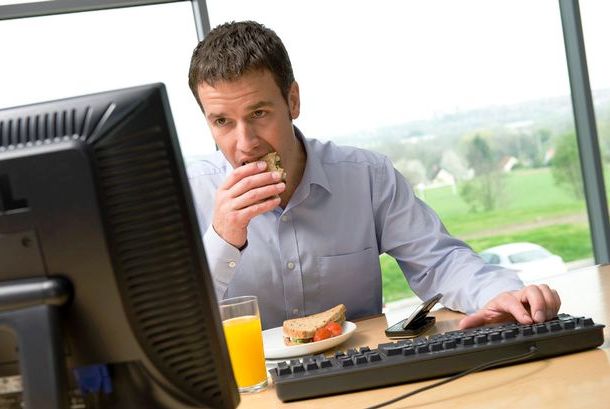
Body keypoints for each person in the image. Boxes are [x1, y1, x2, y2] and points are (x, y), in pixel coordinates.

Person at [186, 20, 561, 330]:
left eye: (258, 114)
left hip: (360, 376)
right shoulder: (189, 194)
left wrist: (502, 293)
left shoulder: (367, 177)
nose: (244, 142)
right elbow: (179, 325)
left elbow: (439, 261)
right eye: (222, 122)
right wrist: (223, 239)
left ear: (293, 101)